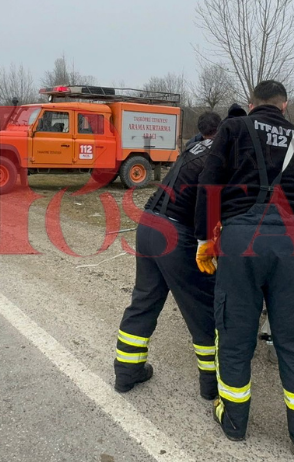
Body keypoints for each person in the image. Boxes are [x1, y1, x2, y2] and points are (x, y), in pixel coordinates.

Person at [194, 80, 294, 457]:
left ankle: (234, 421)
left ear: (252, 104)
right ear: (285, 106)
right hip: (292, 239)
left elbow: (209, 183)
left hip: (241, 236)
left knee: (235, 331)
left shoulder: (233, 127)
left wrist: (204, 239)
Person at [114, 111, 222, 400]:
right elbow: (209, 202)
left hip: (148, 223)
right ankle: (211, 384)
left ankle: (126, 371)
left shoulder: (194, 147)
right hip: (175, 234)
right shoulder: (219, 155)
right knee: (202, 305)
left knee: (145, 299)